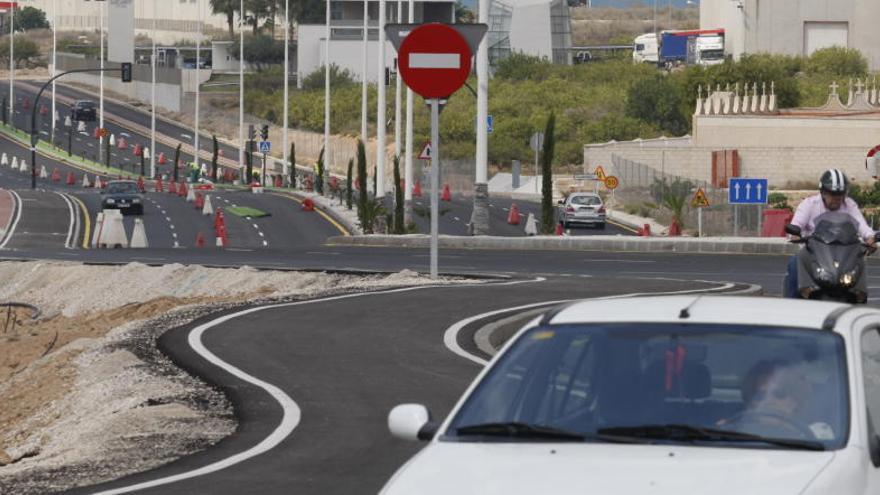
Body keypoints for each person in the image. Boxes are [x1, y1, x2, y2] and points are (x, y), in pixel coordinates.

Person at [785, 168, 876, 301]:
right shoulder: (809, 204)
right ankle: (791, 308)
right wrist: (795, 235)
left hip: (844, 255)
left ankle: (859, 298)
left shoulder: (849, 205)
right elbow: (796, 225)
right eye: (833, 194)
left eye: (841, 194)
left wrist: (871, 238)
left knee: (860, 258)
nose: (837, 198)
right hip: (813, 256)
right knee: (794, 262)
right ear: (823, 192)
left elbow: (862, 226)